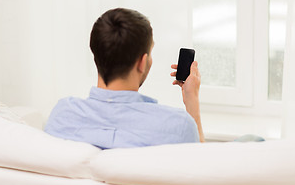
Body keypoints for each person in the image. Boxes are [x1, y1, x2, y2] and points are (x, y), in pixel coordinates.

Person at [45, 8, 205, 149]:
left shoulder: (62, 115)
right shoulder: (178, 127)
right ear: (142, 62)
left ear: (96, 55)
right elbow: (201, 172)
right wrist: (192, 101)